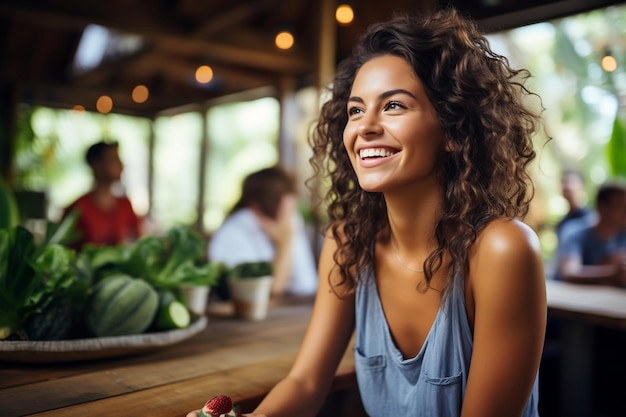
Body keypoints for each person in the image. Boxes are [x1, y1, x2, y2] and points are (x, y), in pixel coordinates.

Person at [188, 7, 546, 417]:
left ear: (453, 129)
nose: (365, 127)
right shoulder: (348, 243)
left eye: (393, 106)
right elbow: (305, 382)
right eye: (356, 110)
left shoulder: (504, 250)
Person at [208, 166, 318, 297]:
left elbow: (307, 284)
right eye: (286, 195)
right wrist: (285, 243)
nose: (293, 203)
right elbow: (268, 291)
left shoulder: (289, 222)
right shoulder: (234, 232)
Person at [62, 141, 141, 250]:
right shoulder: (77, 209)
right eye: (113, 159)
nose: (121, 165)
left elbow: (139, 241)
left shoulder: (125, 205)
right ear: (96, 165)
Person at [556, 180, 626, 286]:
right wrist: (612, 272)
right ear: (602, 208)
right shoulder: (574, 232)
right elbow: (569, 272)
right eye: (622, 207)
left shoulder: (622, 235)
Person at [555, 169, 595, 243]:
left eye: (571, 182)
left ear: (582, 186)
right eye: (563, 182)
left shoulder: (593, 217)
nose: (566, 186)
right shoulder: (562, 223)